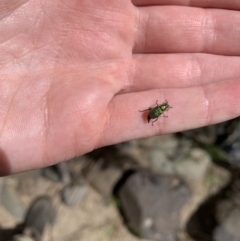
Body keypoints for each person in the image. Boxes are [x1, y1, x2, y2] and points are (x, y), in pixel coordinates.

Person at [0, 0, 240, 175]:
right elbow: (155, 111)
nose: (162, 107)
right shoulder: (158, 109)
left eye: (162, 107)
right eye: (162, 106)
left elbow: (154, 110)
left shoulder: (157, 108)